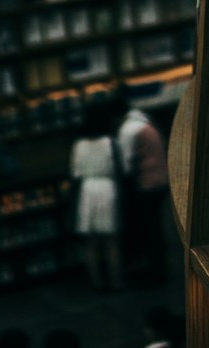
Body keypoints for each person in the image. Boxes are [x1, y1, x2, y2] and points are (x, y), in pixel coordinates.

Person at [117, 94, 169, 284]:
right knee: (156, 227)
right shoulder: (144, 122)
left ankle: (155, 272)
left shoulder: (128, 130)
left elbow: (125, 164)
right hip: (161, 180)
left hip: (147, 183)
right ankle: (161, 268)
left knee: (150, 229)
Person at [68, 106, 122, 292]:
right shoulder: (111, 142)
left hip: (87, 189)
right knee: (111, 241)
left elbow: (75, 173)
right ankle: (116, 280)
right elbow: (118, 168)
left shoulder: (79, 145)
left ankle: (97, 282)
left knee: (90, 242)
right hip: (108, 188)